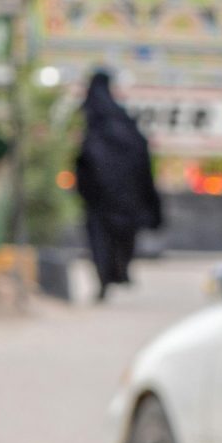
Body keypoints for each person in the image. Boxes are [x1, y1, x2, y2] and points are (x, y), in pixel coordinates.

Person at [75, 69, 163, 300]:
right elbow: (141, 158)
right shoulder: (123, 120)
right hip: (126, 195)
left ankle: (105, 276)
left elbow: (81, 160)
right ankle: (119, 271)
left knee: (100, 239)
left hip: (99, 197)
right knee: (122, 235)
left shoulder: (89, 121)